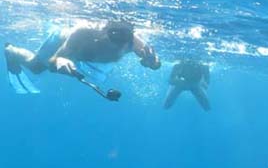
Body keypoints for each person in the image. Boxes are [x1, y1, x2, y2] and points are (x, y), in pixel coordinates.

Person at [4, 20, 160, 100]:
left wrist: (152, 63)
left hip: (82, 57)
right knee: (37, 68)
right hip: (60, 43)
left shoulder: (133, 42)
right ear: (104, 30)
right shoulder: (83, 33)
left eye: (124, 40)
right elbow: (54, 61)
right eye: (113, 37)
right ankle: (11, 51)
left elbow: (155, 63)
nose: (117, 45)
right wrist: (60, 61)